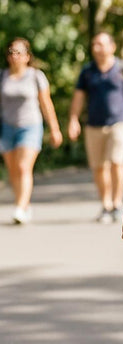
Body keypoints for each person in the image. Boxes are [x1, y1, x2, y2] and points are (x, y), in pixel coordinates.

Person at [68, 31, 123, 222]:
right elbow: (79, 97)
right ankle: (105, 204)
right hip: (94, 125)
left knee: (117, 163)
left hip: (119, 123)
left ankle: (116, 204)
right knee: (99, 167)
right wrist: (73, 119)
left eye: (101, 44)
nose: (96, 48)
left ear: (112, 47)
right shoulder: (87, 72)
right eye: (94, 44)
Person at [1, 37, 63, 224]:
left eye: (19, 52)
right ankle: (24, 205)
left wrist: (54, 129)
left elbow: (46, 104)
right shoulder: (2, 76)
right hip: (7, 127)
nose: (14, 56)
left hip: (30, 126)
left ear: (28, 56)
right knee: (13, 171)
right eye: (11, 52)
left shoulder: (36, 76)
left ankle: (20, 207)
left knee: (23, 167)